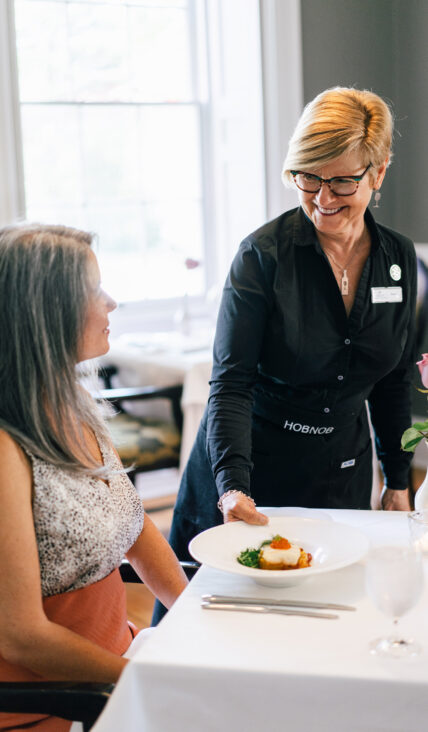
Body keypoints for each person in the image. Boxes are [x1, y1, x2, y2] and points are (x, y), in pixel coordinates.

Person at [152, 86, 417, 623]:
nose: (323, 198)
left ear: (379, 171)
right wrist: (232, 488)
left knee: (330, 621)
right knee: (215, 627)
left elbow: (391, 378)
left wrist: (396, 480)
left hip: (339, 471)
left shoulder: (398, 258)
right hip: (250, 469)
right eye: (309, 178)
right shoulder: (261, 257)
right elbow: (230, 385)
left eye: (343, 180)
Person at [0, 224, 188, 731]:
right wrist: (139, 684)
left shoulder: (75, 406)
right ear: (46, 315)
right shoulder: (4, 447)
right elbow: (20, 637)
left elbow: (134, 525)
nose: (112, 303)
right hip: (52, 704)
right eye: (95, 291)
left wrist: (195, 617)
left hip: (114, 662)